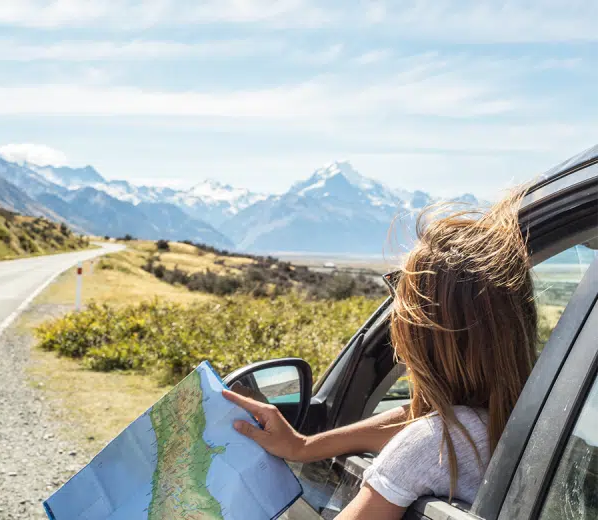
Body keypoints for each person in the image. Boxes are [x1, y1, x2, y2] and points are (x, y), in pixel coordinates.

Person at [224, 190, 538, 519]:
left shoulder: (433, 445)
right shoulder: (525, 419)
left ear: (421, 332)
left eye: (400, 297)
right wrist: (302, 447)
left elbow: (430, 433)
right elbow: (421, 418)